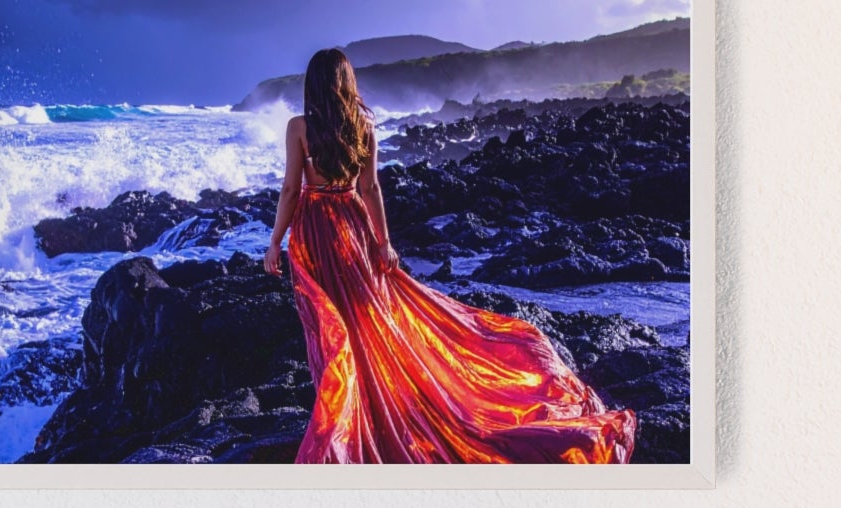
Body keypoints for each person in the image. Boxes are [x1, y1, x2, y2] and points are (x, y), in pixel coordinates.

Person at [263, 49, 635, 464]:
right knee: (366, 319)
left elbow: (291, 191)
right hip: (353, 229)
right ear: (348, 83)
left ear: (312, 85)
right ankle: (364, 404)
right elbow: (370, 190)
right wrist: (383, 242)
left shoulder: (299, 128)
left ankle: (344, 410)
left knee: (329, 324)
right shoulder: (363, 126)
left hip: (316, 230)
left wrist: (275, 240)